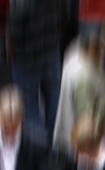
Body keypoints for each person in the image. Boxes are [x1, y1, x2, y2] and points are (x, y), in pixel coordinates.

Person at [5, 0, 68, 136]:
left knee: (30, 106)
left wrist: (10, 48)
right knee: (54, 100)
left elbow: (15, 26)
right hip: (52, 50)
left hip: (27, 56)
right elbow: (64, 13)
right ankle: (53, 141)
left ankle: (40, 144)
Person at [51, 27, 105, 155]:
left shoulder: (73, 54)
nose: (104, 53)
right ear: (93, 49)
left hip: (69, 140)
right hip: (82, 148)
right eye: (101, 48)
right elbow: (87, 120)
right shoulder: (85, 76)